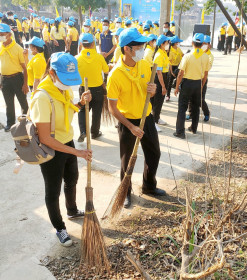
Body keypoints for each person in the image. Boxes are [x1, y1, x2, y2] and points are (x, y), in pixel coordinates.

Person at [30, 52, 92, 247]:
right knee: (53, 190)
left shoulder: (62, 90)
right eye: (65, 79)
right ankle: (59, 228)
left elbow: (66, 108)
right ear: (52, 73)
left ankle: (72, 209)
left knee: (72, 179)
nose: (68, 85)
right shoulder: (42, 97)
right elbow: (46, 137)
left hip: (67, 141)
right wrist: (78, 152)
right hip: (51, 150)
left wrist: (81, 103)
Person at [107, 28, 166, 208]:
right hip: (128, 122)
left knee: (154, 153)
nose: (142, 48)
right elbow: (112, 109)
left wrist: (154, 90)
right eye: (138, 46)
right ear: (127, 49)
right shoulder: (115, 75)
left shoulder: (144, 65)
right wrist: (130, 127)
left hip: (146, 117)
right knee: (127, 161)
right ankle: (125, 191)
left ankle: (149, 186)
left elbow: (150, 89)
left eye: (143, 45)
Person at [173, 33, 210, 139]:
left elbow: (180, 73)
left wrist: (176, 87)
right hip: (198, 83)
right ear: (202, 43)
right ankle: (194, 128)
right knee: (195, 107)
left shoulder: (188, 56)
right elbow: (206, 74)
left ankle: (180, 132)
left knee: (182, 108)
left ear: (192, 42)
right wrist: (201, 86)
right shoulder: (205, 56)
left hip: (187, 84)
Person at [0, 23, 29, 132]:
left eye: (2, 34)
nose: (0, 36)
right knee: (8, 103)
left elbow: (24, 68)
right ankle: (10, 123)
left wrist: (25, 84)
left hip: (17, 79)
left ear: (9, 34)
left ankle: (25, 123)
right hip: (4, 79)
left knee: (23, 102)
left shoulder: (18, 48)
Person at [76, 33, 109, 142]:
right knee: (97, 111)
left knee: (82, 110)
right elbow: (106, 71)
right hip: (98, 89)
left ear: (81, 44)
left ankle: (83, 132)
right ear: (93, 43)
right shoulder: (99, 57)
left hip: (84, 89)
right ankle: (94, 133)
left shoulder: (77, 58)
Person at [152, 35, 170, 132]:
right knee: (157, 102)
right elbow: (158, 72)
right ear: (162, 44)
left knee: (160, 100)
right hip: (159, 79)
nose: (168, 44)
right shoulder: (159, 55)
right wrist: (163, 86)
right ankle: (154, 122)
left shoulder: (163, 52)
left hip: (164, 77)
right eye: (167, 43)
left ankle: (157, 118)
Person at [167, 35, 183, 102]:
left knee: (180, 79)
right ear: (174, 43)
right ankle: (168, 95)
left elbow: (183, 55)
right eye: (177, 42)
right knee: (170, 81)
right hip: (172, 67)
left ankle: (178, 90)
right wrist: (171, 72)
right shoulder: (170, 51)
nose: (178, 44)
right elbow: (170, 63)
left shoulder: (178, 49)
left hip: (178, 66)